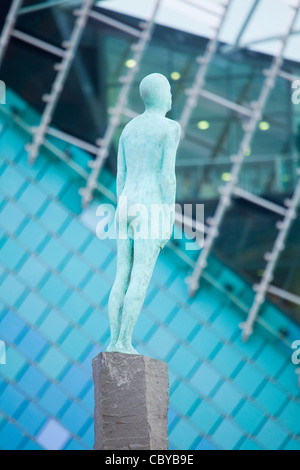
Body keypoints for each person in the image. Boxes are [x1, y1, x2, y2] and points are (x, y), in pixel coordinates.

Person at [106, 73, 181, 354]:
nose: (172, 96)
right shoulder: (170, 128)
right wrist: (168, 216)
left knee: (121, 275)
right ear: (162, 94)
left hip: (125, 203)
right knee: (139, 274)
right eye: (170, 90)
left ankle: (113, 341)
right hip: (150, 205)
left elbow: (121, 176)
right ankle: (125, 342)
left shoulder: (129, 129)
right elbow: (166, 177)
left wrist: (122, 204)